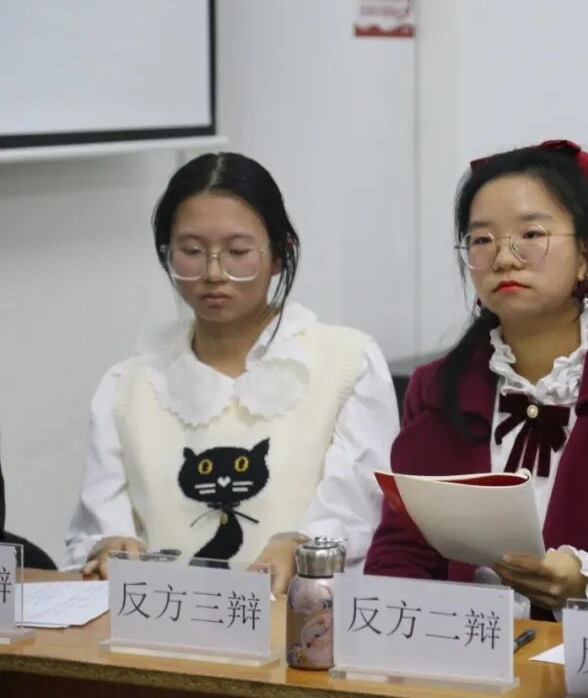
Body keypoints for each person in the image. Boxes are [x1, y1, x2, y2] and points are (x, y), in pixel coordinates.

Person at [364, 140, 588, 613]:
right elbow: (401, 549)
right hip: (461, 644)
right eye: (482, 240)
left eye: (531, 234)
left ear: (586, 256)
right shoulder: (434, 389)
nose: (504, 258)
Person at [65, 152, 398, 592]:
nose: (213, 272)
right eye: (191, 251)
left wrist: (303, 547)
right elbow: (96, 532)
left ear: (280, 254)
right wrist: (107, 549)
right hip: (160, 621)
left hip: (299, 622)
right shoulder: (128, 385)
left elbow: (363, 517)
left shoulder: (346, 363)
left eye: (238, 252)